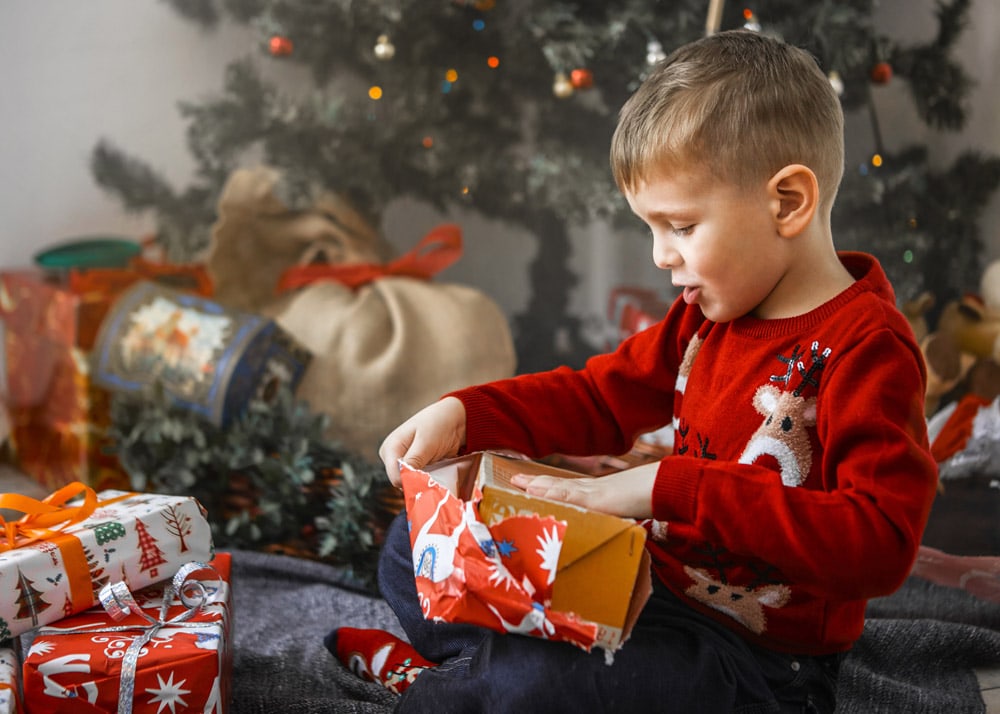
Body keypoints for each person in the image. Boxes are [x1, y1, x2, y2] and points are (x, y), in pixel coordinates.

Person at [327, 29, 938, 713]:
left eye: (679, 226)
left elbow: (880, 546)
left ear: (788, 202)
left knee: (550, 685)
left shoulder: (868, 348)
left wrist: (667, 487)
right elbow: (597, 397)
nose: (658, 257)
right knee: (410, 547)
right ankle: (501, 671)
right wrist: (468, 413)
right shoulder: (705, 317)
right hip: (643, 589)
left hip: (754, 661)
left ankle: (471, 682)